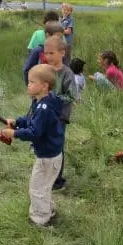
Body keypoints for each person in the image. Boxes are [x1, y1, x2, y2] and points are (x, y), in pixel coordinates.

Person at [0, 64, 63, 227]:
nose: (28, 84)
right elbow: (31, 120)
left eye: (32, 82)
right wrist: (17, 122)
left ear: (44, 86)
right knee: (45, 186)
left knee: (37, 188)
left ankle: (40, 220)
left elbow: (35, 132)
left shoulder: (44, 107)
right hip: (51, 155)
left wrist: (14, 133)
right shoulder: (41, 101)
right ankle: (49, 211)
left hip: (47, 157)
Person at [42, 35, 78, 191]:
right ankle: (46, 175)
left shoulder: (67, 73)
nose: (48, 56)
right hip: (45, 116)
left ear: (62, 52)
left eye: (52, 53)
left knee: (57, 147)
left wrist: (53, 99)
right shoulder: (45, 70)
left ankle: (58, 180)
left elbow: (71, 95)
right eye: (46, 53)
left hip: (60, 118)